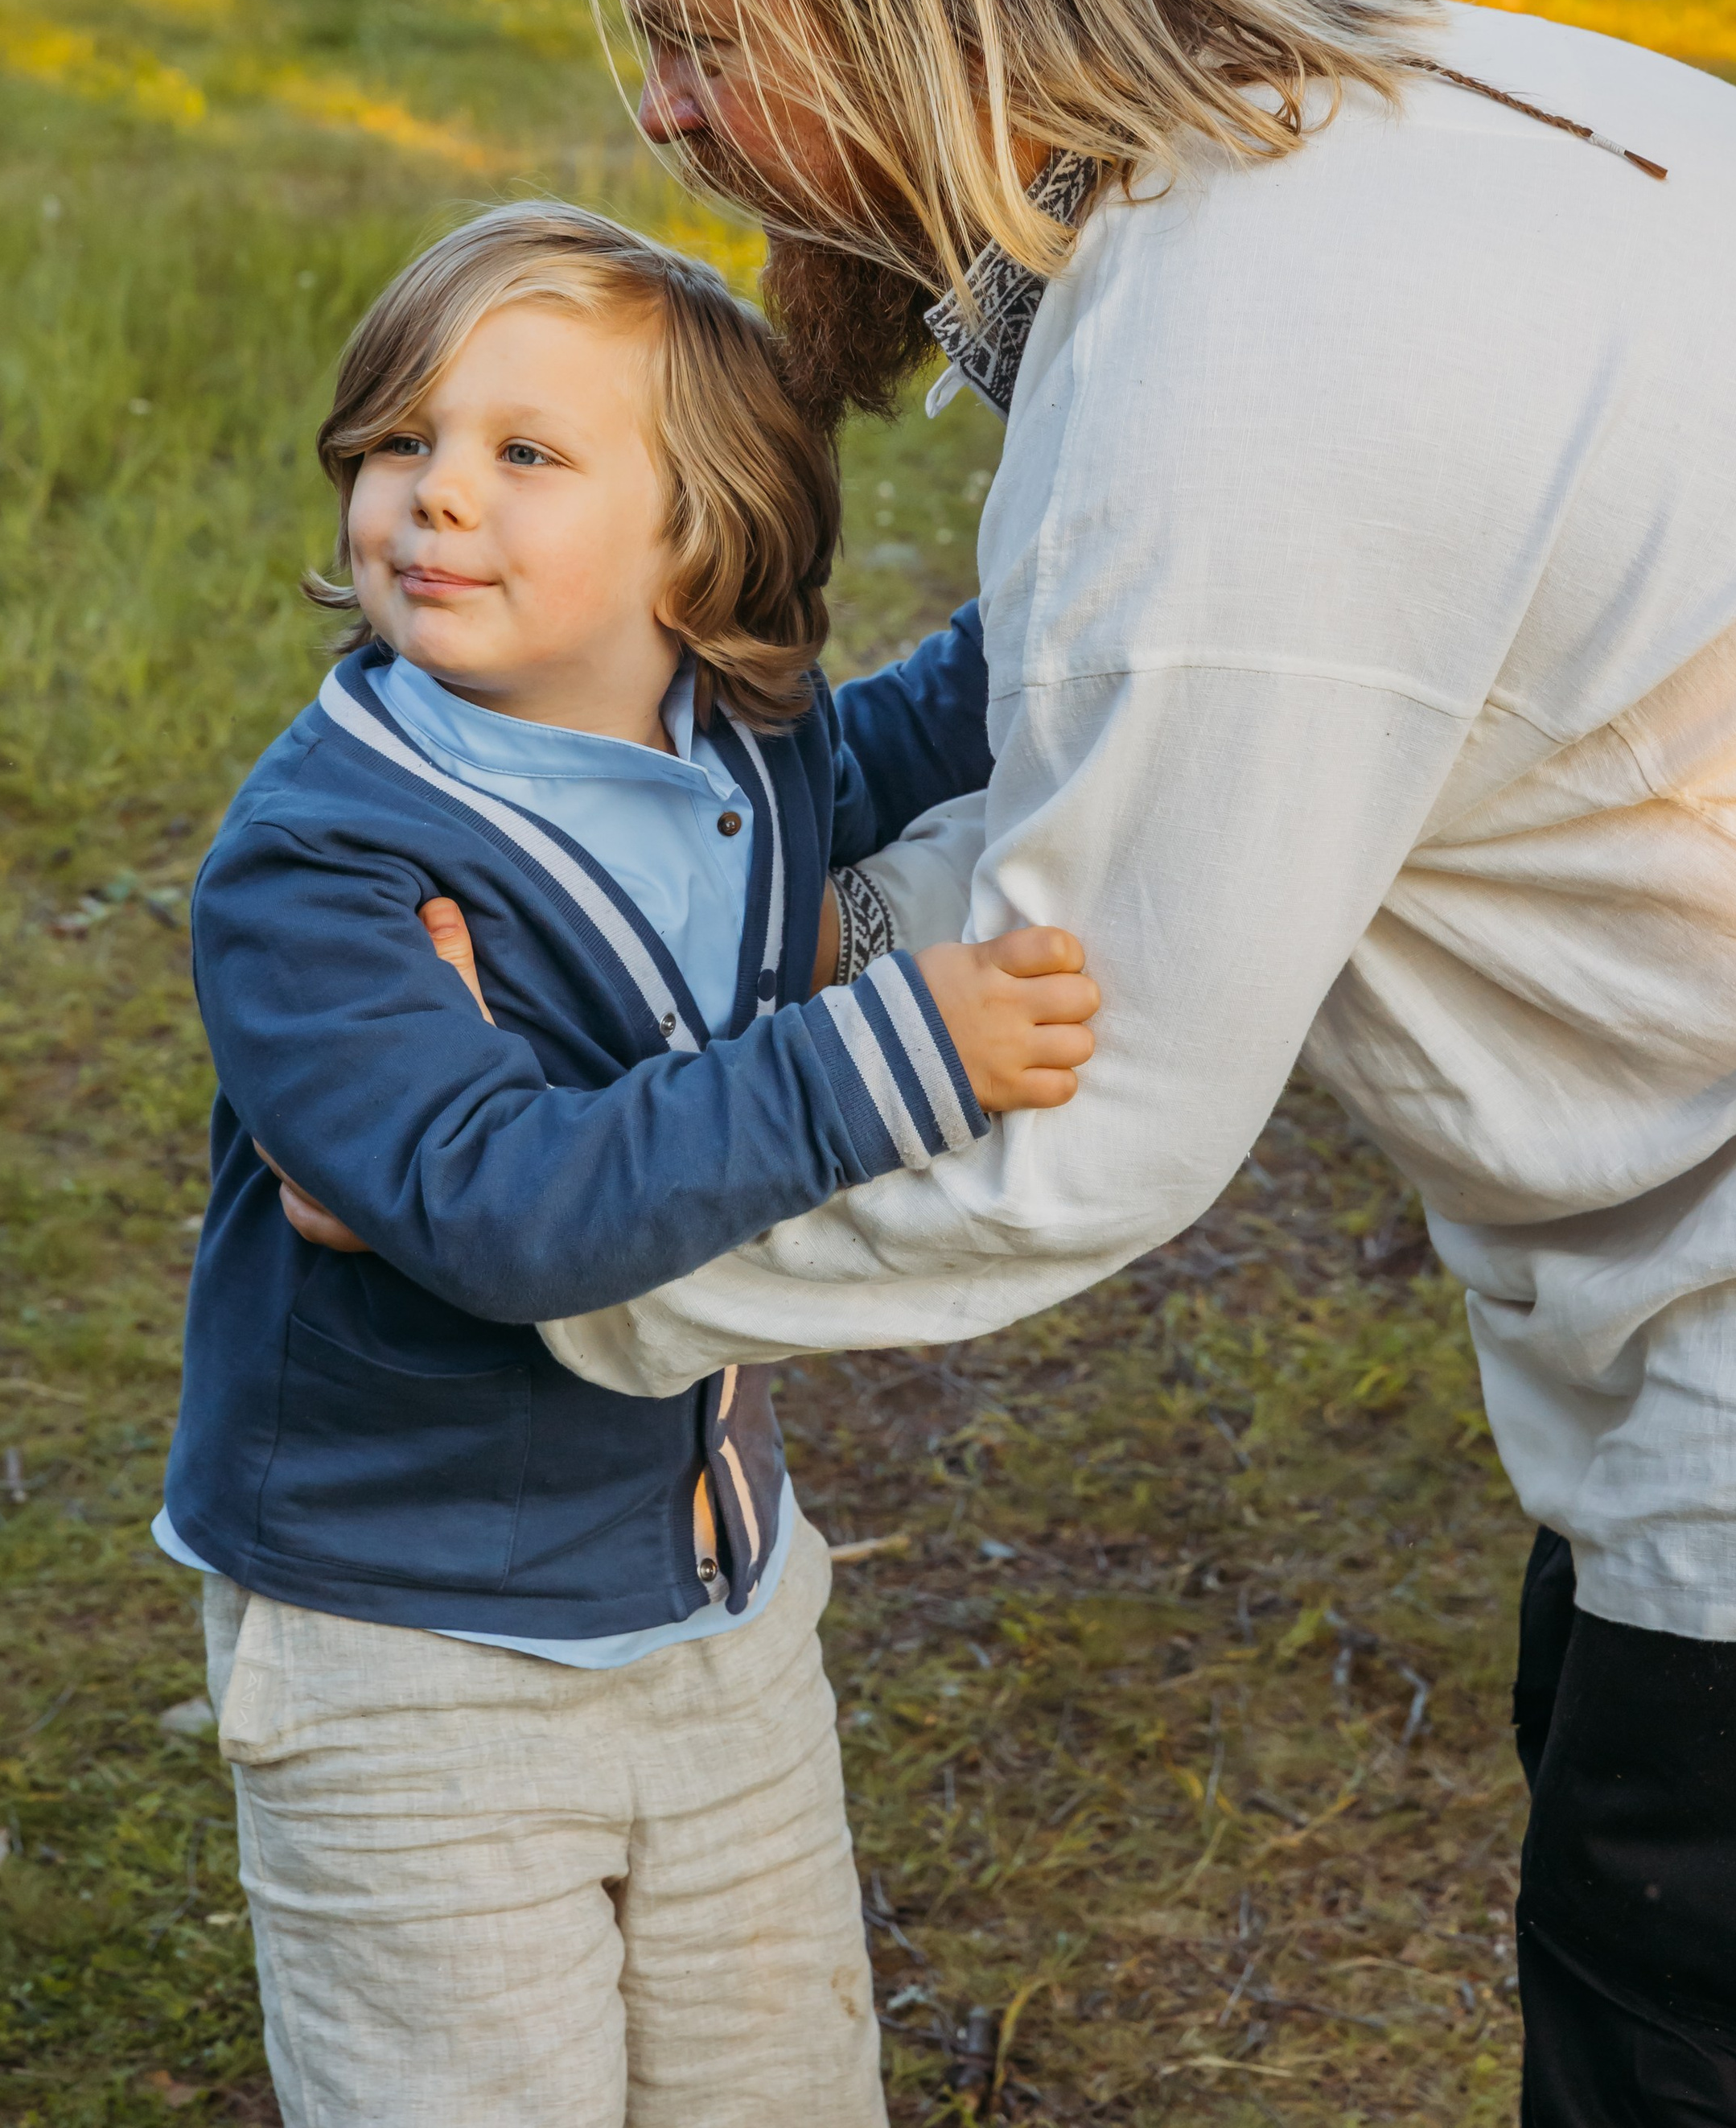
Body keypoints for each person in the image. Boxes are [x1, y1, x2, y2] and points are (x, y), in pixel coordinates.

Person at [520, 0, 1736, 2123]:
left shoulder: (1235, 372)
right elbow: (1111, 739)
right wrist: (789, 917)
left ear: (907, 5)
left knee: (1712, 2015)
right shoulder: (1377, 118)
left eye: (706, 42)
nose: (667, 114)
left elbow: (1083, 1098)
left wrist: (528, 1250)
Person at [156, 199, 1096, 2128]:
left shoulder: (733, 748)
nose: (433, 491)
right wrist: (892, 1054)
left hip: (725, 1609)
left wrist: (1123, 561)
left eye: (523, 452)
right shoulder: (322, 864)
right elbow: (498, 1205)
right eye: (401, 438)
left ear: (697, 538)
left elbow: (927, 724)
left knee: (779, 2085)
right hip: (412, 1649)